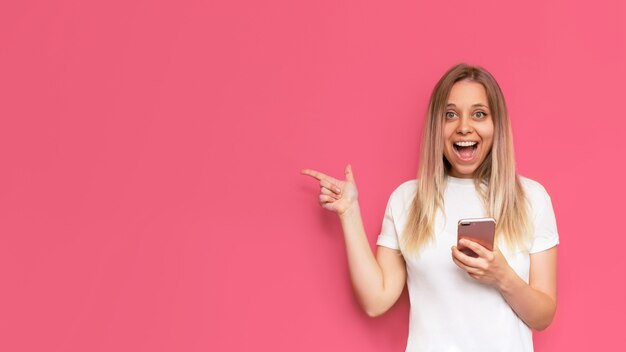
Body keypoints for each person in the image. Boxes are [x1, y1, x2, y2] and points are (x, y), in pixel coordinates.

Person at [301, 63, 559, 352]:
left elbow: (543, 315)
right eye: (450, 115)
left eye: (479, 114)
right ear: (436, 126)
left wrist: (502, 276)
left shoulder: (532, 198)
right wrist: (349, 212)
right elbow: (376, 300)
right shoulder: (407, 200)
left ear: (496, 124)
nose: (464, 126)